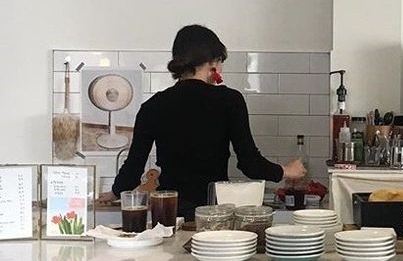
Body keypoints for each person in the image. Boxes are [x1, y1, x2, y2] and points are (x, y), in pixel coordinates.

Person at [99, 24, 306, 219]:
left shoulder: (153, 106)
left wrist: (115, 192)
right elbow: (249, 163)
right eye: (220, 62)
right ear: (212, 63)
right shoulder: (229, 101)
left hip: (170, 211)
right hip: (213, 211)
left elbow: (134, 165)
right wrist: (286, 171)